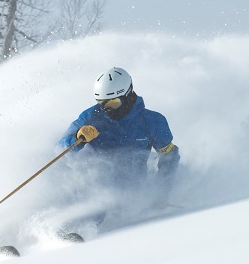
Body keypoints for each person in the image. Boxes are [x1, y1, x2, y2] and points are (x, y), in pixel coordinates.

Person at [59, 67, 180, 216]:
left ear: (128, 95)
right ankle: (74, 234)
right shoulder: (90, 118)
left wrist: (161, 192)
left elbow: (169, 156)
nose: (107, 109)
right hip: (95, 187)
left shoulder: (152, 121)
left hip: (134, 192)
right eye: (101, 103)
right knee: (95, 205)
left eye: (113, 103)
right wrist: (77, 138)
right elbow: (60, 150)